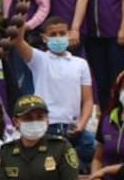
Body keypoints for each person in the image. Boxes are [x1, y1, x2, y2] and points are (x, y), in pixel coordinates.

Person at [11, 17, 94, 171]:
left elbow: (88, 100)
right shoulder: (39, 59)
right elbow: (18, 41)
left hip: (73, 128)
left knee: (93, 148)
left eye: (62, 33)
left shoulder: (80, 64)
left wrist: (81, 125)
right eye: (53, 34)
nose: (58, 37)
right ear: (44, 38)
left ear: (69, 34)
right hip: (47, 127)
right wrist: (22, 14)